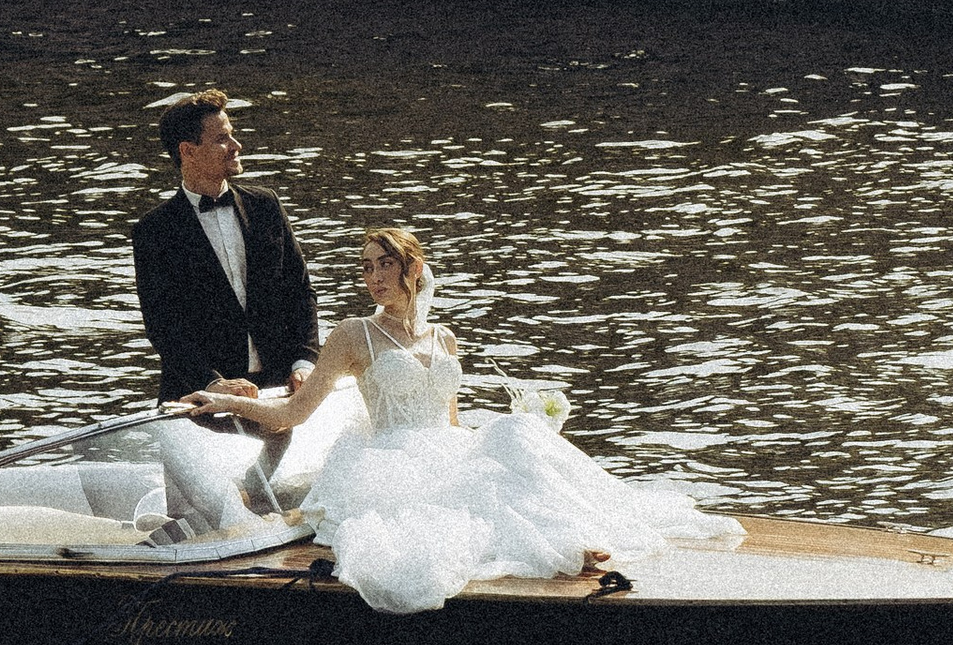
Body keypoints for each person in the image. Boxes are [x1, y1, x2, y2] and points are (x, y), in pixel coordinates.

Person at [184, 222, 740, 617]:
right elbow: (292, 413)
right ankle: (561, 550)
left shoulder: (443, 336)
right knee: (459, 505)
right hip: (390, 457)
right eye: (366, 266)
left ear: (412, 269)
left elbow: (450, 421)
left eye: (386, 264)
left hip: (442, 445)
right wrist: (227, 401)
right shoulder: (353, 334)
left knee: (512, 436)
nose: (374, 276)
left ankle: (569, 539)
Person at [132, 88, 320, 409]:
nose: (236, 146)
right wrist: (212, 381)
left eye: (232, 135)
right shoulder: (154, 231)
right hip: (197, 399)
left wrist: (304, 363)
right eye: (222, 139)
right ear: (188, 151)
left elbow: (300, 293)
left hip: (280, 391)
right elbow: (164, 327)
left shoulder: (266, 205)